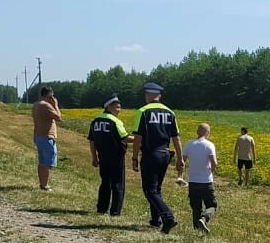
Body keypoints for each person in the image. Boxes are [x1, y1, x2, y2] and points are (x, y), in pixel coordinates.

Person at [130, 82, 184, 234]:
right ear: (159, 96)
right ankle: (155, 220)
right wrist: (180, 159)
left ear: (147, 95)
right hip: (165, 154)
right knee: (156, 188)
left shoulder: (143, 111)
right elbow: (176, 138)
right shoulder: (170, 112)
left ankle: (168, 217)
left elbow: (137, 137)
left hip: (150, 154)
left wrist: (134, 157)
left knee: (149, 190)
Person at [88, 94, 130, 215]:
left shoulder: (95, 121)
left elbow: (92, 140)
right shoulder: (115, 121)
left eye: (119, 107)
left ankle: (101, 208)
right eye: (117, 107)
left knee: (105, 182)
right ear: (109, 107)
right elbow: (125, 138)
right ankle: (115, 211)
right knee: (118, 184)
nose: (119, 109)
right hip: (116, 157)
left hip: (103, 156)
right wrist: (139, 139)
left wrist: (94, 157)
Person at [184, 123, 219, 233]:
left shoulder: (189, 144)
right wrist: (210, 171)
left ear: (197, 132)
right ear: (208, 133)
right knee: (212, 205)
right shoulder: (209, 145)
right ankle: (204, 218)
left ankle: (197, 230)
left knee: (196, 207)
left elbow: (181, 162)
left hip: (193, 181)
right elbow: (214, 163)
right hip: (206, 181)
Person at [31, 86, 61, 190]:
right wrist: (55, 105)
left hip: (38, 135)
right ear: (49, 96)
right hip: (46, 137)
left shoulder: (36, 105)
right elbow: (58, 117)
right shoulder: (46, 106)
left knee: (42, 161)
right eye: (52, 96)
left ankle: (42, 183)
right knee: (48, 162)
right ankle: (45, 185)